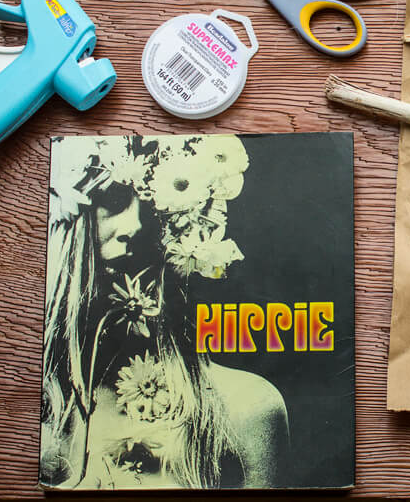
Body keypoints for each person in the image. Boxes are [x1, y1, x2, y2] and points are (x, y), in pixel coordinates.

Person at [40, 135, 288, 490]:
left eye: (154, 210)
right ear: (69, 211)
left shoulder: (247, 408)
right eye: (113, 199)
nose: (136, 226)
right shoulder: (33, 406)